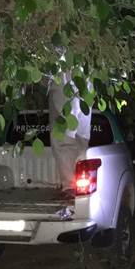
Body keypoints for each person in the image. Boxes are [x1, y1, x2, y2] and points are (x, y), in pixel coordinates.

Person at [48, 61, 91, 193]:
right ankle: (77, 183)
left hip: (67, 71)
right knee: (80, 134)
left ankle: (71, 185)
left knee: (64, 137)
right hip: (84, 72)